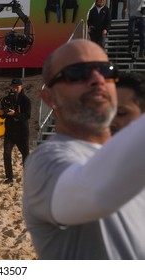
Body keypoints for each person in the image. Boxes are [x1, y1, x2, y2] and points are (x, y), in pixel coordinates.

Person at [23, 38, 145, 259]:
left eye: (105, 70)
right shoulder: (45, 162)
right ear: (49, 98)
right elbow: (95, 192)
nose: (97, 79)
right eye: (78, 73)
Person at [0, 78, 31, 185]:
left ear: (21, 87)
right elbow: (2, 116)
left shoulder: (26, 100)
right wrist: (2, 112)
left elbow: (27, 116)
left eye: (17, 87)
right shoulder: (6, 99)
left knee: (25, 154)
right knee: (6, 154)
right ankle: (9, 177)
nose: (15, 89)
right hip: (10, 132)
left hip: (22, 132)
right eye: (13, 87)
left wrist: (15, 114)